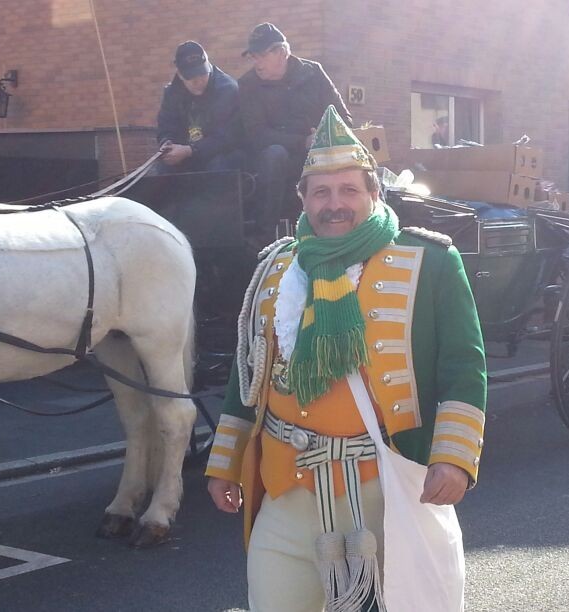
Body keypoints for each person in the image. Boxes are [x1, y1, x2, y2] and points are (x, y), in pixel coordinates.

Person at [206, 106, 486, 611]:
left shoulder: (431, 262)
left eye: (348, 190)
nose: (334, 204)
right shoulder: (276, 266)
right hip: (286, 490)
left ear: (374, 194)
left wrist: (453, 456)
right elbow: (248, 370)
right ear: (304, 199)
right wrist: (226, 461)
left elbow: (463, 366)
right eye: (321, 192)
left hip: (385, 493)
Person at [239, 23, 353, 241]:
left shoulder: (313, 72)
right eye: (253, 57)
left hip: (319, 152)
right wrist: (303, 142)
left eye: (262, 56)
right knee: (274, 154)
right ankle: (264, 237)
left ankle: (354, 228)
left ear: (282, 52)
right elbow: (257, 135)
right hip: (277, 156)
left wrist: (325, 134)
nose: (257, 63)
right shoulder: (248, 84)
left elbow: (343, 118)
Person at [155, 41, 243, 173]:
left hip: (221, 152)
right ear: (180, 75)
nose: (198, 81)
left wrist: (190, 150)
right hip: (186, 154)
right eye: (191, 77)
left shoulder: (227, 89)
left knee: (219, 165)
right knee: (163, 168)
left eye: (202, 73)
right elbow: (166, 125)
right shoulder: (172, 92)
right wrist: (167, 142)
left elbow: (227, 137)